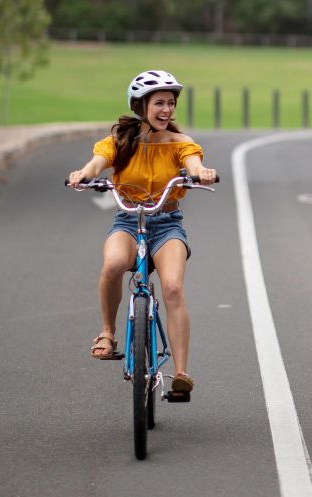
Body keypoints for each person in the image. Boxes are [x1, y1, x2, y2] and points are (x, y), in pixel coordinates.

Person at [68, 70, 217, 393]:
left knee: (174, 287)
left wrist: (201, 173)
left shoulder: (181, 144)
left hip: (166, 224)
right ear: (141, 106)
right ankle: (107, 332)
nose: (167, 110)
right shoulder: (119, 142)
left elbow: (193, 165)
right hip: (127, 221)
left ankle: (181, 373)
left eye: (171, 103)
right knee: (112, 266)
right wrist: (83, 173)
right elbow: (97, 163)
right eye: (159, 103)